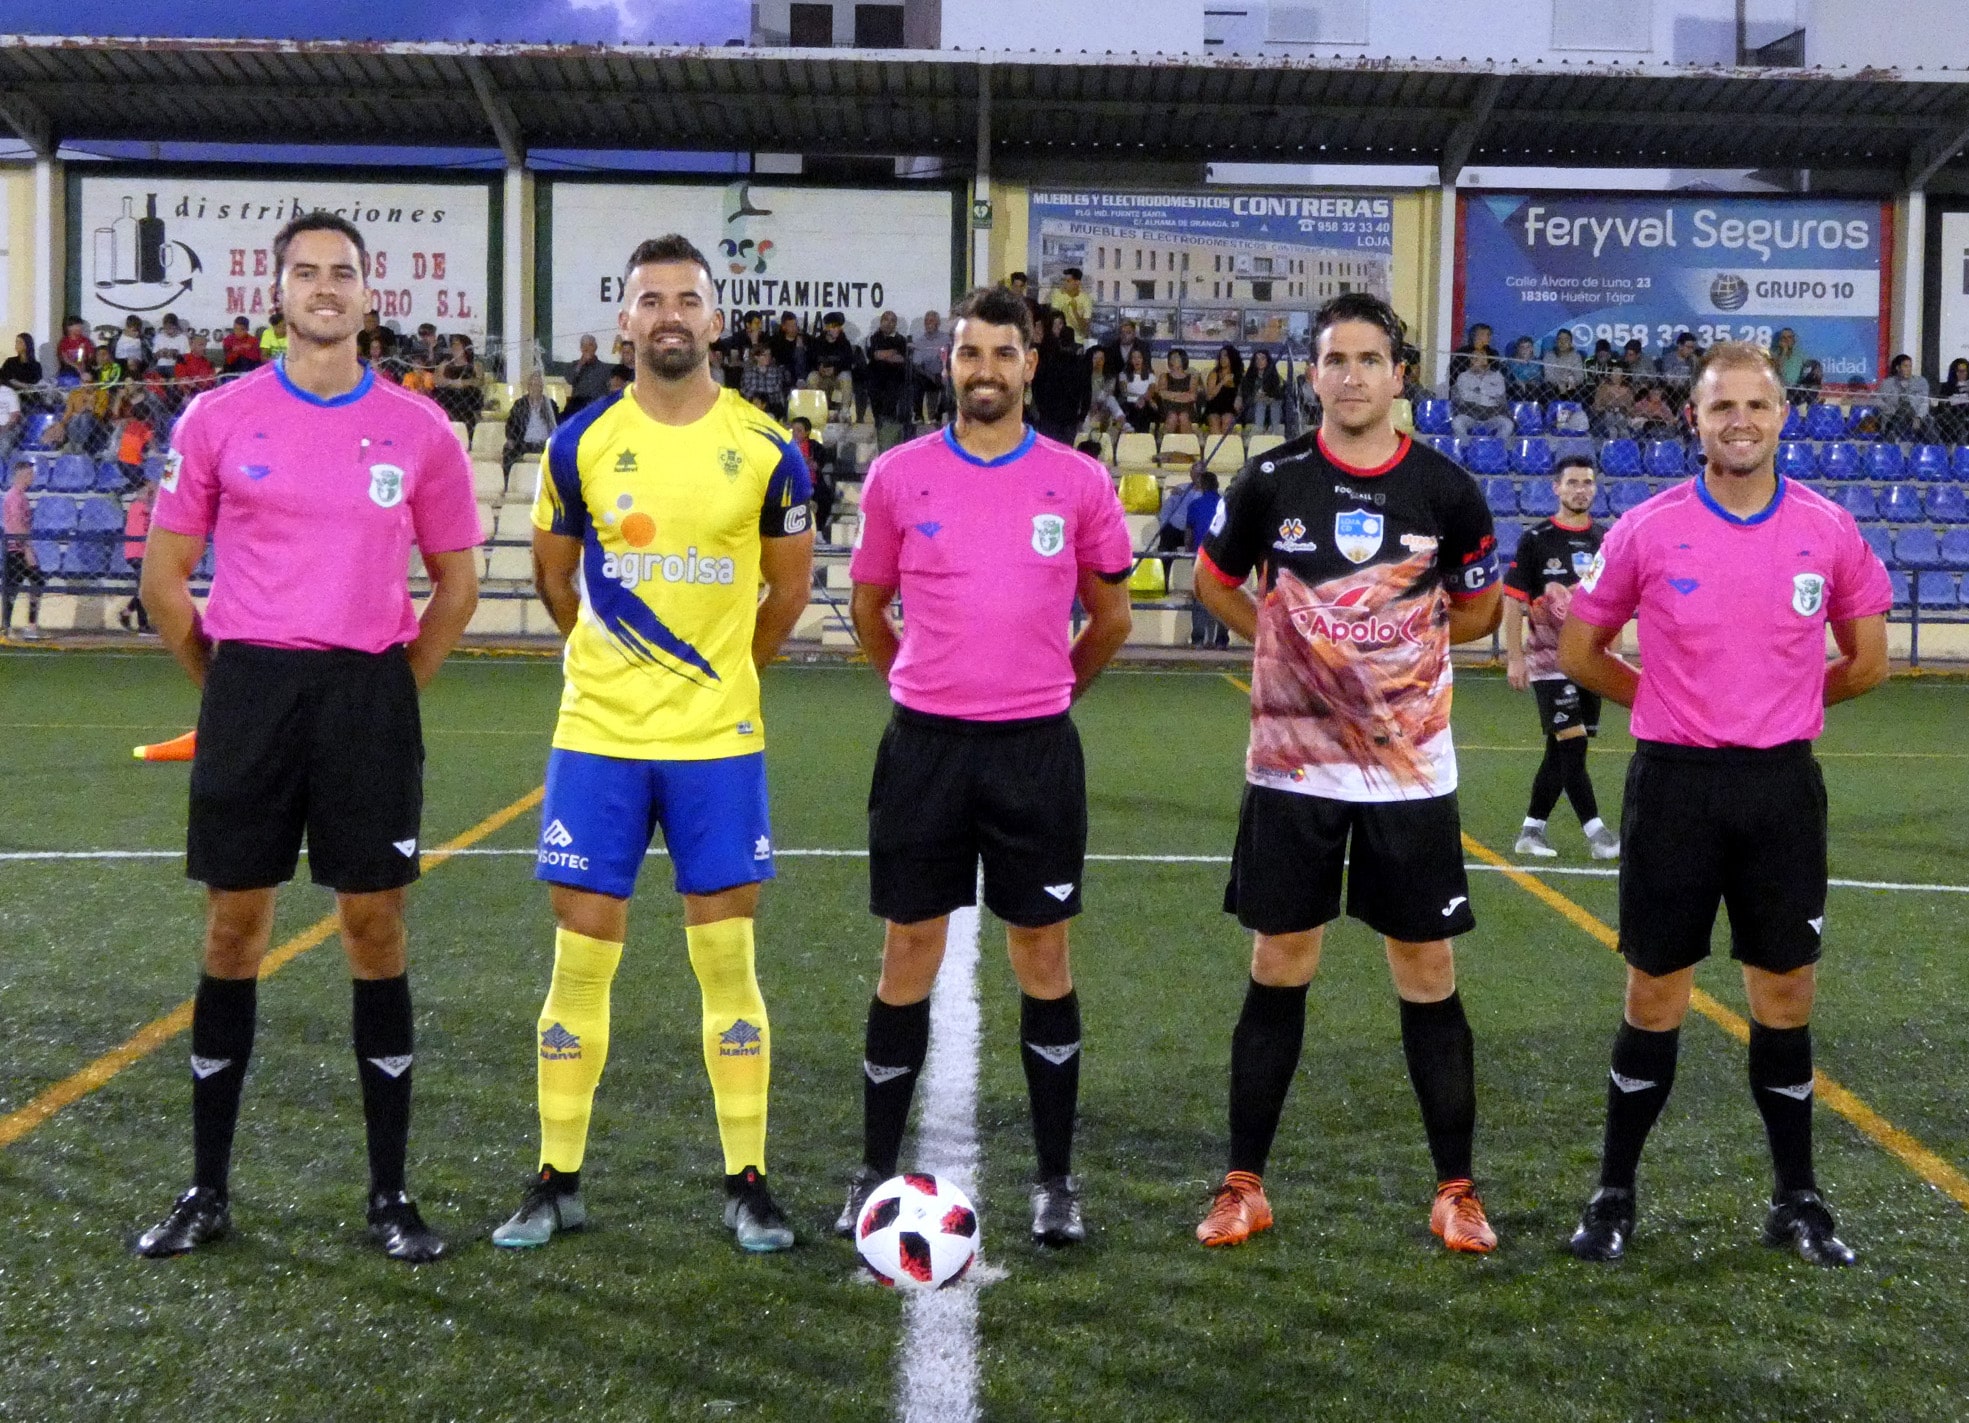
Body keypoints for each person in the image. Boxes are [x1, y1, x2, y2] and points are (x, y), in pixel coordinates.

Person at [132, 211, 483, 1263]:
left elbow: (457, 586)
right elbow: (162, 580)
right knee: (233, 929)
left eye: (342, 274)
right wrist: (232, 686)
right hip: (250, 686)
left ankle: (390, 1196)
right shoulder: (217, 419)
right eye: (305, 273)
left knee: (374, 926)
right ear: (276, 292)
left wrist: (390, 687)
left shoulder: (419, 430)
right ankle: (206, 1190)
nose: (324, 288)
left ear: (370, 296)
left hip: (366, 692)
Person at [493, 234, 814, 1256]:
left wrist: (720, 680)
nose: (669, 313)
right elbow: (554, 580)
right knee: (578, 962)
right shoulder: (577, 445)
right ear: (625, 321)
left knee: (729, 963)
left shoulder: (769, 449)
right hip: (597, 739)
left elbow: (789, 593)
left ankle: (748, 1179)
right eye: (650, 299)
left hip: (717, 742)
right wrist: (613, 669)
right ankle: (556, 1176)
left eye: (687, 298)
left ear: (716, 321)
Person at [1558, 342, 1891, 1268]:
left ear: (1784, 415)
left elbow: (1866, 662)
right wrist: (1666, 698)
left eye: (1756, 404)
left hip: (1780, 788)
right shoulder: (1646, 528)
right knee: (1654, 993)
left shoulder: (1827, 529)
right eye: (1719, 407)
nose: (1737, 420)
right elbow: (1583, 653)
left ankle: (1797, 1198)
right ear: (1693, 421)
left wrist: (1781, 700)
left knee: (1783, 993)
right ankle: (1613, 1192)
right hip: (1673, 785)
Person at [1191, 290, 1504, 1256]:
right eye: (1337, 360)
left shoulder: (1445, 489)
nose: (1354, 376)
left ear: (1398, 375)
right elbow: (1213, 579)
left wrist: (1395, 662)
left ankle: (1454, 1190)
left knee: (1426, 969)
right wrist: (1285, 650)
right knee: (1279, 962)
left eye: (1372, 360)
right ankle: (1244, 1184)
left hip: (1409, 775)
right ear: (1314, 374)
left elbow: (1482, 609)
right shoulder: (1269, 480)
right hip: (1293, 770)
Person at [838, 283, 1133, 1246]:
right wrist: (926, 685)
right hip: (923, 748)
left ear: (1028, 366)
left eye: (1004, 354)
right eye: (971, 353)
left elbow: (1112, 618)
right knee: (906, 954)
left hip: (1033, 753)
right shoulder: (897, 476)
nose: (986, 371)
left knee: (1040, 955)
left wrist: (1045, 692)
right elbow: (870, 609)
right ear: (949, 364)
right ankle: (874, 1174)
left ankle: (1055, 1180)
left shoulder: (1078, 482)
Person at [1503, 456, 1618, 861]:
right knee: (1570, 741)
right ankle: (1598, 833)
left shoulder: (1605, 540)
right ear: (1556, 488)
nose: (1580, 489)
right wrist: (1515, 658)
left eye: (1587, 482)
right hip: (1549, 661)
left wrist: (1613, 651)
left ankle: (1531, 831)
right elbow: (1513, 604)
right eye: (1572, 482)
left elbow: (1611, 604)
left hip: (1589, 661)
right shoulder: (1536, 540)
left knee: (1566, 750)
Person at [1029, 309, 1087, 445]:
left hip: (1052, 415)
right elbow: (1084, 389)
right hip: (1064, 415)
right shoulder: (1073, 360)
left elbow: (1037, 384)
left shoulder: (1048, 358)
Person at [2, 457, 44, 639]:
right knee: (15, 587)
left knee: (36, 582)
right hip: (16, 549)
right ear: (22, 475)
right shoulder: (15, 497)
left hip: (20, 547)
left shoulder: (19, 496)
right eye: (30, 473)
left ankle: (28, 625)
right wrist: (27, 549)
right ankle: (8, 627)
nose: (32, 476)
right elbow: (18, 525)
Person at [1185, 468, 1227, 648]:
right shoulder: (1227, 505)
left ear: (1201, 486)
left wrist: (1189, 552)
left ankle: (1198, 639)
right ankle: (1222, 640)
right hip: (1223, 556)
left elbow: (1189, 534)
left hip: (1201, 556)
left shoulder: (1194, 506)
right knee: (1225, 599)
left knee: (1200, 598)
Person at [502, 369, 559, 482]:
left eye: (537, 384)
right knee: (508, 452)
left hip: (544, 443)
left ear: (542, 387)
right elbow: (510, 424)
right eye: (532, 384)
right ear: (528, 387)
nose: (534, 388)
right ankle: (509, 484)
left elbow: (557, 425)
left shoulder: (550, 405)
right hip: (524, 443)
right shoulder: (520, 404)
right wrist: (511, 439)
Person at [863, 310, 911, 438]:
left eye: (892, 321)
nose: (889, 323)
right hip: (875, 375)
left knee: (893, 390)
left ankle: (887, 427)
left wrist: (882, 355)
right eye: (886, 320)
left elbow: (901, 359)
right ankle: (879, 423)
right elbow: (874, 355)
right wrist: (892, 352)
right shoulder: (873, 337)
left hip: (894, 375)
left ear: (895, 324)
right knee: (872, 387)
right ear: (881, 321)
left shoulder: (901, 339)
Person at [119, 476, 154, 633]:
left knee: (143, 588)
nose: (149, 494)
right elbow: (153, 508)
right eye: (147, 491)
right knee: (144, 588)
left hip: (143, 553)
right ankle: (142, 625)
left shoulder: (145, 506)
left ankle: (127, 612)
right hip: (135, 553)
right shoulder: (137, 505)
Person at [1451, 348, 1512, 437]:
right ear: (1470, 360)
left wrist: (1478, 391)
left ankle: (1495, 445)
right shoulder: (1463, 377)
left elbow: (1499, 393)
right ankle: (1466, 446)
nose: (1479, 359)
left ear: (1487, 359)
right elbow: (1465, 396)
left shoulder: (1497, 376)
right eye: (1475, 357)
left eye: (1482, 356)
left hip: (1492, 414)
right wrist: (1489, 394)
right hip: (1470, 413)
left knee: (1508, 424)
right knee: (1457, 422)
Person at [433, 335, 484, 434]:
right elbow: (437, 380)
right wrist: (452, 383)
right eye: (453, 345)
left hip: (467, 401)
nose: (454, 347)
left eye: (458, 345)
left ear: (466, 347)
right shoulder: (445, 364)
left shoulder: (475, 365)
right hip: (449, 400)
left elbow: (479, 381)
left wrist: (463, 383)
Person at [1876, 354, 1932, 441]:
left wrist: (1918, 417)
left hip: (1915, 416)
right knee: (1903, 409)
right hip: (1893, 416)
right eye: (1905, 366)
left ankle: (1935, 447)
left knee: (1929, 421)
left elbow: (1924, 402)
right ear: (1898, 368)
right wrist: (1889, 410)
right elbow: (1878, 400)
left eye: (1910, 366)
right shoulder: (1887, 383)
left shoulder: (1921, 382)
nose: (1908, 369)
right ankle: (1892, 439)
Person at [910, 310, 950, 425]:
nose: (928, 324)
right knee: (916, 378)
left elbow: (947, 358)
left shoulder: (945, 338)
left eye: (931, 321)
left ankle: (938, 416)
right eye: (926, 321)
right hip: (926, 375)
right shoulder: (919, 341)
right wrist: (931, 376)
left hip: (942, 373)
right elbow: (917, 362)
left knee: (948, 381)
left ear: (938, 323)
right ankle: (918, 415)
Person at [563, 333, 613, 416]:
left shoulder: (604, 368)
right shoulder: (573, 365)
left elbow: (610, 389)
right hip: (579, 410)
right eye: (584, 346)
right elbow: (570, 379)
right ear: (581, 349)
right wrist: (580, 364)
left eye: (590, 345)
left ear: (595, 347)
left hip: (598, 410)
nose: (587, 349)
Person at [740, 342, 791, 421]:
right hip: (755, 406)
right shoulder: (748, 372)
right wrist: (763, 395)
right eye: (765, 355)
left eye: (769, 354)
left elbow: (777, 389)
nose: (768, 357)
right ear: (756, 357)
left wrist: (760, 393)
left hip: (773, 406)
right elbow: (746, 391)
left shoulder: (776, 371)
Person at [1155, 348, 1199, 434]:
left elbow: (1192, 396)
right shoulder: (1164, 376)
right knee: (1172, 417)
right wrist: (1181, 395)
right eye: (1171, 357)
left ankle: (1186, 446)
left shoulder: (1192, 377)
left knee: (1183, 417)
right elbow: (1162, 394)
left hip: (1186, 407)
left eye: (1176, 357)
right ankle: (1167, 445)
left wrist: (1172, 396)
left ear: (1183, 359)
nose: (1172, 359)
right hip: (1168, 407)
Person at [1047, 266, 1093, 346]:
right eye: (1064, 280)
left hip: (1078, 342)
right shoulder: (1058, 294)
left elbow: (1085, 330)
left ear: (1077, 282)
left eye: (1068, 281)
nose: (1065, 283)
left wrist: (1075, 312)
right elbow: (1053, 318)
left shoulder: (1086, 299)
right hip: (1059, 340)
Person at [1203, 344, 1243, 436]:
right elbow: (1209, 397)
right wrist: (1222, 382)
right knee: (1214, 423)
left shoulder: (1238, 376)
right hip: (1214, 407)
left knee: (1227, 421)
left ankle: (1226, 449)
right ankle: (1216, 449)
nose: (1222, 359)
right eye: (1221, 356)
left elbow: (1241, 396)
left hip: (1230, 408)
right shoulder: (1214, 374)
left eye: (1225, 356)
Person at [1241, 348, 1284, 433]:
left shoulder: (1275, 378)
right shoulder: (1248, 378)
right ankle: (1258, 431)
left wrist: (1270, 399)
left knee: (1275, 403)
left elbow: (1280, 396)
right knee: (1260, 403)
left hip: (1272, 410)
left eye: (1263, 358)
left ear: (1268, 361)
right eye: (1257, 359)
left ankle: (1275, 433)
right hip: (1253, 411)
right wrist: (1255, 398)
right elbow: (1245, 399)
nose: (1259, 361)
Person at [1119, 346, 1157, 433]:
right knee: (1136, 408)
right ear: (1130, 360)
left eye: (1139, 357)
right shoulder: (1123, 374)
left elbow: (1151, 391)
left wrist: (1144, 399)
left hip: (1146, 402)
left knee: (1143, 409)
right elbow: (1124, 393)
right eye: (1134, 358)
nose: (1137, 360)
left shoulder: (1150, 374)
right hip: (1129, 402)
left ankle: (1140, 436)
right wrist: (1139, 398)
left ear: (1143, 359)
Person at [1544, 329, 1585, 399]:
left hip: (1571, 385)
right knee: (1546, 387)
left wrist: (1569, 382)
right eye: (1560, 339)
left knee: (1581, 391)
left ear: (1571, 342)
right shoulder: (1549, 355)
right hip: (1554, 385)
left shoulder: (1576, 356)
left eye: (1566, 339)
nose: (1562, 342)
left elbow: (1579, 376)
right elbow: (1548, 376)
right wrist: (1559, 383)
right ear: (1556, 341)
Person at [1938, 357, 1969, 445]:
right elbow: (1942, 403)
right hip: (1952, 415)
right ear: (1954, 372)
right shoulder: (1946, 387)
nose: (1962, 374)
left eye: (1964, 371)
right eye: (1959, 371)